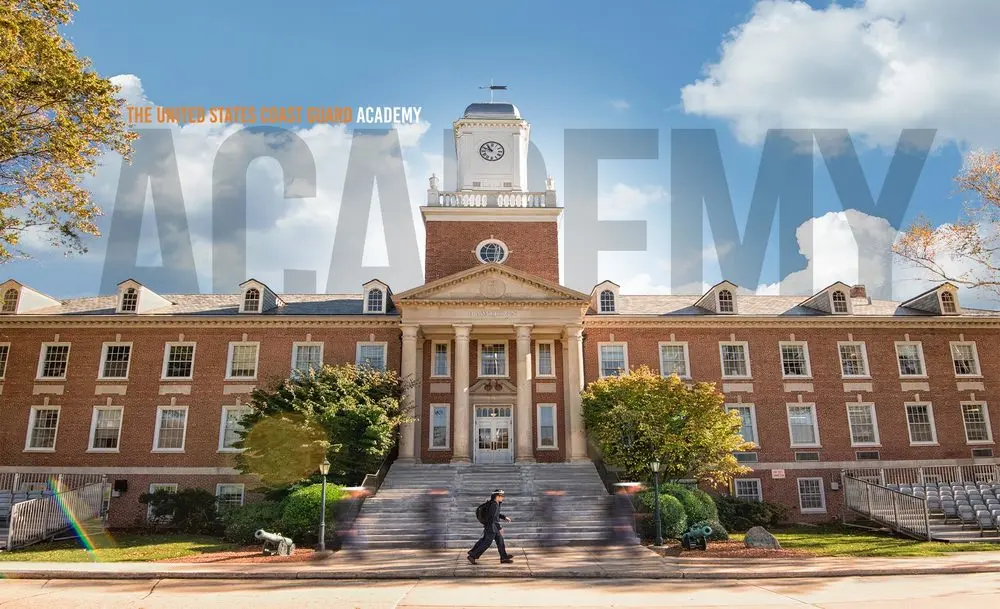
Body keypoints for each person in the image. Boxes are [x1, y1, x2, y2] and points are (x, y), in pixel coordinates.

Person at [467, 489, 514, 564]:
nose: (502, 497)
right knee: (486, 542)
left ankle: (503, 557)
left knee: (500, 540)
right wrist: (499, 528)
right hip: (491, 527)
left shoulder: (494, 503)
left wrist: (504, 517)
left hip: (491, 526)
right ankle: (472, 556)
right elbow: (493, 518)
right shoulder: (494, 504)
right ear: (497, 496)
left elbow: (496, 515)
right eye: (501, 496)